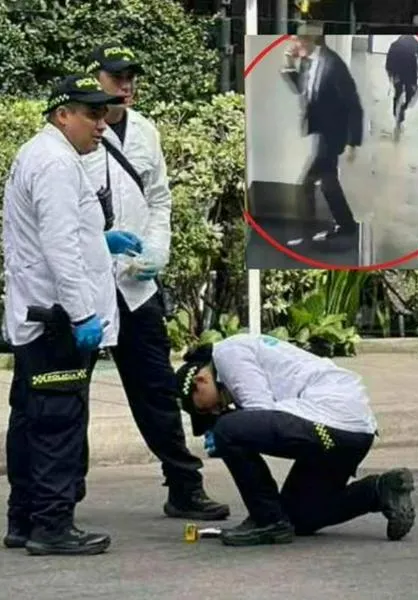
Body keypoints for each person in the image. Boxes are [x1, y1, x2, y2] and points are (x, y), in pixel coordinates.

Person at [80, 42, 229, 520]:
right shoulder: (77, 134)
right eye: (116, 76)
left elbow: (158, 199)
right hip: (84, 284)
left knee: (158, 390)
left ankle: (183, 486)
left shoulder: (146, 132)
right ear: (97, 78)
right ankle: (59, 497)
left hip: (135, 284)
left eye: (131, 77)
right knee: (68, 393)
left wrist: (157, 249)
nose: (125, 86)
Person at [2, 74, 143, 555]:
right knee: (58, 426)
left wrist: (99, 245)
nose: (102, 124)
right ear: (63, 115)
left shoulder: (42, 155)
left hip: (40, 318)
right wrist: (84, 314)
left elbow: (52, 237)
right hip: (58, 322)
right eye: (92, 113)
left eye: (104, 112)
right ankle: (53, 526)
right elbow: (59, 246)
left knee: (30, 421)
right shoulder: (56, 163)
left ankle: (23, 520)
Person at [173, 334, 416, 547]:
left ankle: (267, 520)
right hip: (351, 434)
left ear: (200, 381)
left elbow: (261, 411)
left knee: (228, 429)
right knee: (300, 517)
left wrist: (225, 428)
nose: (217, 410)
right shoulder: (241, 356)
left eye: (207, 409)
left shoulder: (227, 353)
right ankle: (380, 491)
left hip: (331, 420)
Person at [281, 23, 364, 246]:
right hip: (322, 133)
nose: (295, 44)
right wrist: (290, 65)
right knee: (328, 182)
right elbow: (302, 89)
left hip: (333, 134)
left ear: (310, 41)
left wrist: (353, 141)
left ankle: (308, 234)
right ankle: (346, 226)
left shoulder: (334, 65)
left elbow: (353, 103)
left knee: (309, 183)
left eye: (299, 40)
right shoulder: (309, 62)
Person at [385, 35, 418, 140]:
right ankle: (400, 114)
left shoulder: (397, 45)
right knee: (407, 93)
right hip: (407, 73)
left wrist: (391, 74)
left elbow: (389, 63)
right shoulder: (410, 44)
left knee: (400, 93)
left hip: (401, 73)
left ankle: (399, 113)